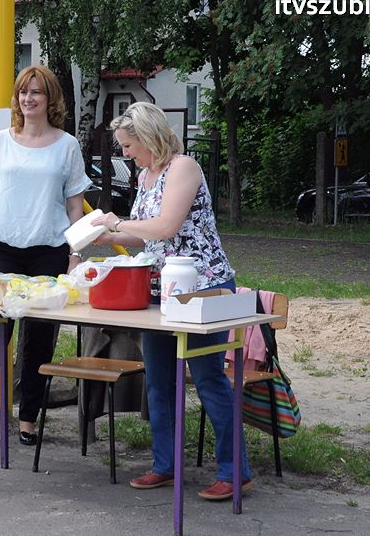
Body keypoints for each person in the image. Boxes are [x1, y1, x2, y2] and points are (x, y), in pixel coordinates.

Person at [91, 102, 252, 501]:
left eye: (129, 145)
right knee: (159, 380)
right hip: (163, 291)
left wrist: (116, 222)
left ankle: (235, 471)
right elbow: (144, 233)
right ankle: (165, 465)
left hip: (206, 288)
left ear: (149, 137)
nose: (125, 152)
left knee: (209, 377)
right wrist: (107, 236)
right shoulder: (146, 175)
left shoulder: (184, 168)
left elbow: (166, 226)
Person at [0, 65, 92, 452]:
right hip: (1, 246)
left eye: (36, 92)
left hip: (48, 251)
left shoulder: (67, 145)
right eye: (23, 92)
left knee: (39, 340)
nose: (28, 98)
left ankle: (28, 418)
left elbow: (75, 207)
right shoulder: (2, 141)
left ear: (51, 99)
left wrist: (75, 256)